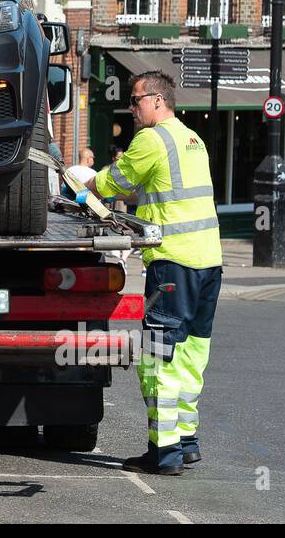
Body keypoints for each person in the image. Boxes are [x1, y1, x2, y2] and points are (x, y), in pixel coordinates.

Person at [87, 71, 222, 476]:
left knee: (159, 358)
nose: (132, 107)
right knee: (192, 355)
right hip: (209, 261)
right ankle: (186, 441)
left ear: (158, 100)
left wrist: (87, 180)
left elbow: (115, 182)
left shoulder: (152, 138)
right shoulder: (191, 139)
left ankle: (163, 453)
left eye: (136, 100)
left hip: (173, 264)